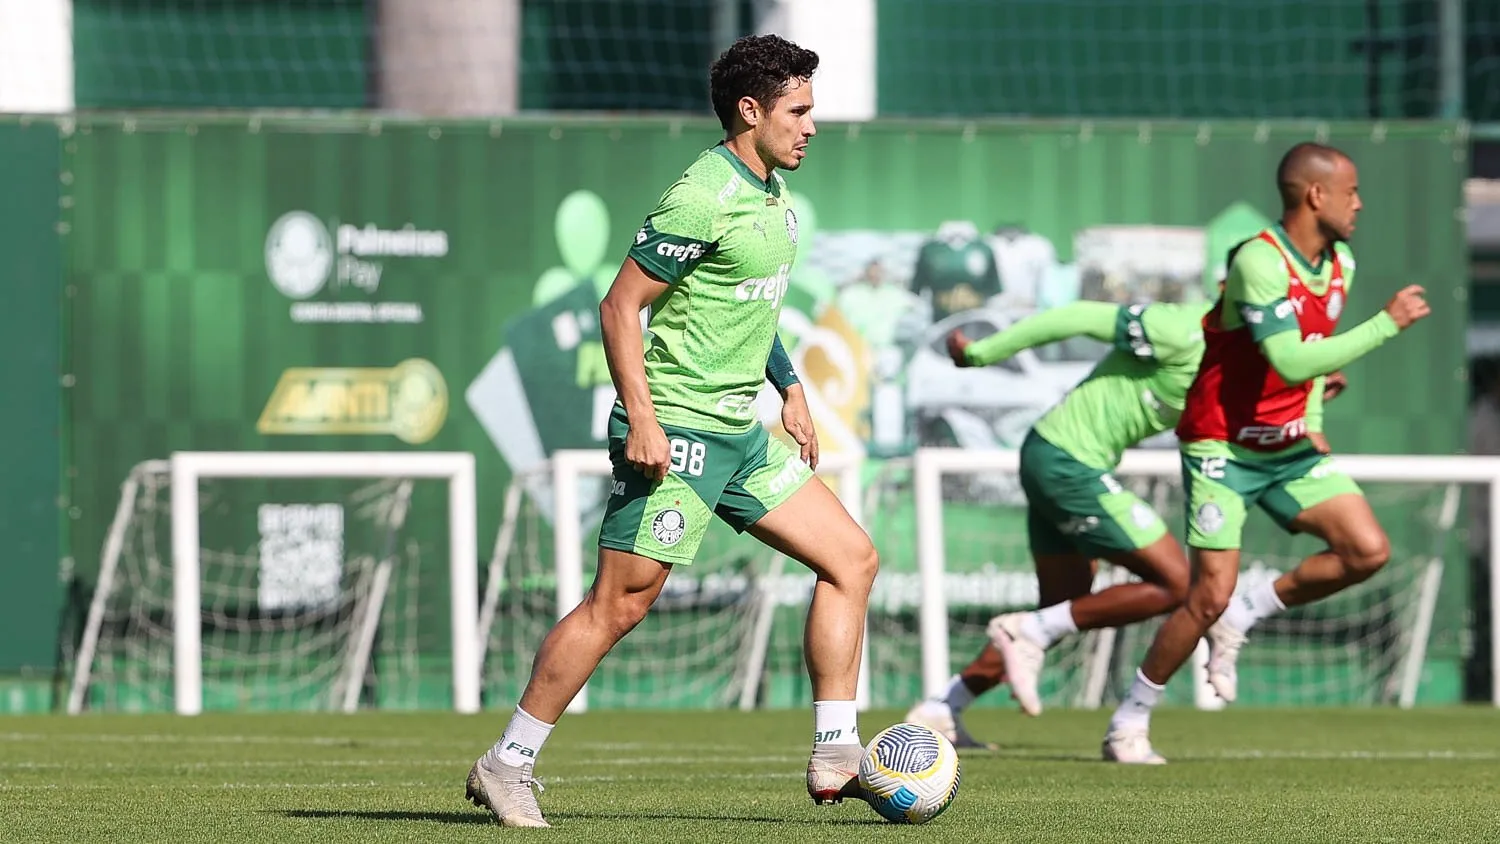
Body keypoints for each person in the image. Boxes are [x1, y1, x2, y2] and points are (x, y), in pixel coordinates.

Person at [462, 35, 879, 827]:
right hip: (678, 430)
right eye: (799, 111)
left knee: (852, 559)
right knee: (619, 605)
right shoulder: (702, 195)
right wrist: (644, 420)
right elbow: (619, 307)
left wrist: (787, 386)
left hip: (742, 433)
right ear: (750, 113)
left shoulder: (769, 196)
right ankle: (505, 763)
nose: (812, 126)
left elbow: (749, 303)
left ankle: (835, 754)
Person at [1100, 142, 1430, 764]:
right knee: (1205, 596)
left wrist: (1313, 414)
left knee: (1367, 550)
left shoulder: (1341, 264)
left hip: (1287, 443)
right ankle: (1129, 720)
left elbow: (1309, 359)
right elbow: (1288, 357)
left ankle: (1249, 611)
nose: (1360, 203)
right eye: (1351, 191)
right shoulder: (1258, 259)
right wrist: (1386, 325)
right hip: (1222, 445)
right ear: (1315, 195)